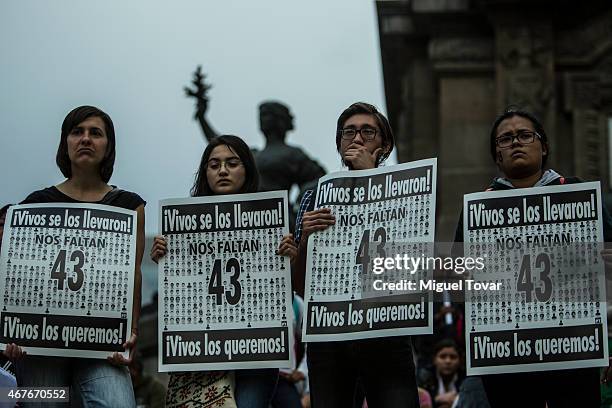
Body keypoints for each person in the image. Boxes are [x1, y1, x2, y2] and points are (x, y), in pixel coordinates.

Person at [453, 106, 612, 408]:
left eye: (525, 135)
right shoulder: (478, 208)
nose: (515, 142)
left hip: (575, 347)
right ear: (497, 155)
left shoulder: (579, 193)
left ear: (544, 145)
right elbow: (459, 280)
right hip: (506, 353)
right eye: (505, 139)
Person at [4, 105, 145, 407]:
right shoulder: (35, 204)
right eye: (77, 132)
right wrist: (9, 333)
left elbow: (134, 272)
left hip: (103, 345)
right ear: (65, 143)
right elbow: (21, 277)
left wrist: (132, 330)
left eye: (96, 133)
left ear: (109, 147)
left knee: (118, 404)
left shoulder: (130, 206)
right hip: (39, 346)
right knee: (41, 403)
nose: (85, 139)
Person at [151, 135, 297, 408]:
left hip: (257, 350)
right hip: (203, 350)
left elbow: (291, 292)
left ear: (247, 170)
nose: (223, 170)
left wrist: (292, 256)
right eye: (214, 164)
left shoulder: (273, 220)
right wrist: (163, 257)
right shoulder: (183, 225)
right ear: (205, 172)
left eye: (232, 163)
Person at [292, 102, 419, 408]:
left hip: (386, 332)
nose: (357, 138)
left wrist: (369, 176)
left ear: (385, 144)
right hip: (330, 338)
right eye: (349, 131)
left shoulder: (407, 191)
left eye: (367, 131)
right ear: (339, 143)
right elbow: (298, 284)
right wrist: (307, 239)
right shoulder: (315, 196)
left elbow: (414, 265)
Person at [419, 339, 464, 408]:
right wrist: (436, 399)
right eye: (442, 356)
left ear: (460, 360)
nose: (448, 361)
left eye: (453, 357)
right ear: (434, 359)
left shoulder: (466, 379)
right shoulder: (424, 377)